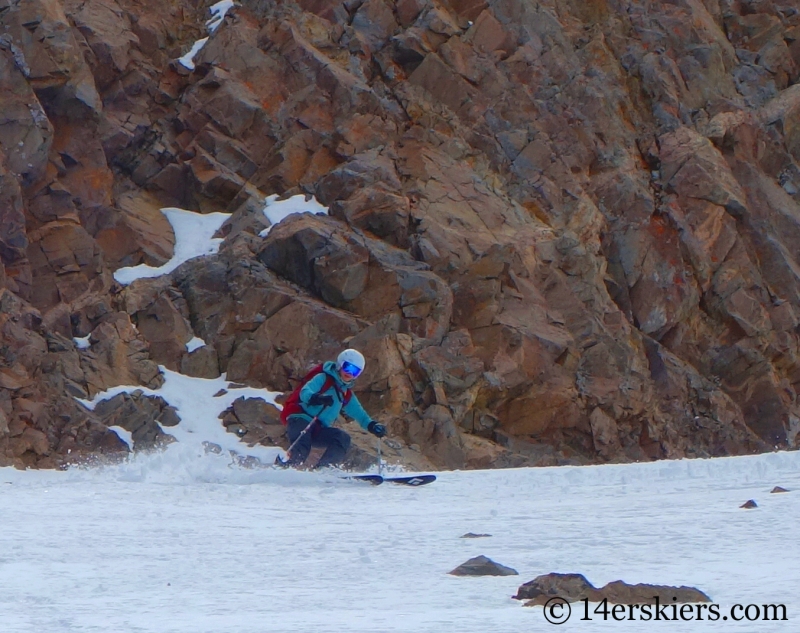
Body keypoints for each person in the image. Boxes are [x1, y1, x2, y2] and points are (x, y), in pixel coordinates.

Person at [280, 349, 386, 469]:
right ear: (340, 364)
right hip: (301, 419)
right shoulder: (323, 378)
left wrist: (372, 425)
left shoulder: (345, 393)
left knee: (342, 438)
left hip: (318, 428)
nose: (350, 373)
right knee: (302, 449)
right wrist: (317, 398)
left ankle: (323, 470)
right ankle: (284, 471)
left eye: (355, 371)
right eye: (348, 367)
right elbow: (305, 392)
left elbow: (360, 414)